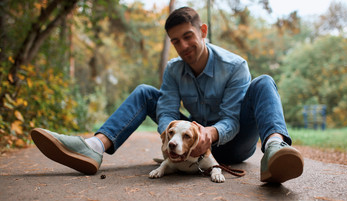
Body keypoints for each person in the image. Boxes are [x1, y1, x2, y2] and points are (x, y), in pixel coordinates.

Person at [31, 7, 303, 183]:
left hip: (233, 143)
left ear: (203, 31)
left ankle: (275, 151)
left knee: (264, 81)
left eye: (188, 36)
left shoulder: (235, 66)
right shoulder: (173, 70)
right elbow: (166, 113)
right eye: (175, 41)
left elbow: (232, 121)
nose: (183, 46)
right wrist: (173, 139)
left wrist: (209, 134)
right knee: (146, 92)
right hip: (189, 141)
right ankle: (93, 148)